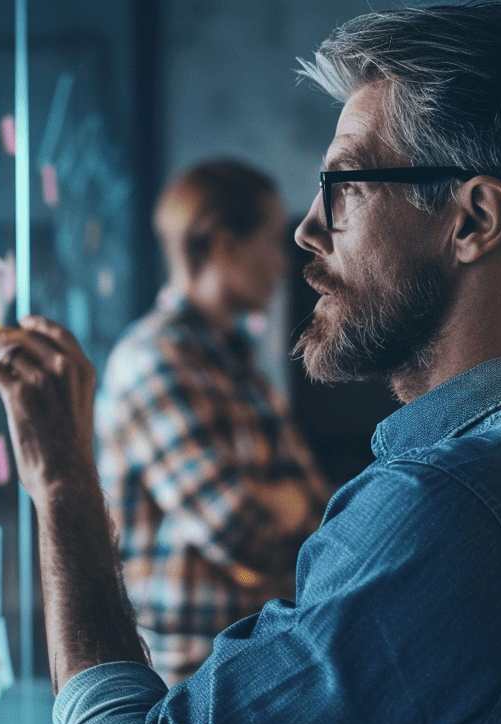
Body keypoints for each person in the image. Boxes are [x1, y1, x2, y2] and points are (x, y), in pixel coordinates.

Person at [0, 4, 501, 724]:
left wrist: (64, 488)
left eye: (344, 186)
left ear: (473, 220)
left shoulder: (446, 511)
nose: (306, 231)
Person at [94, 159, 331, 686]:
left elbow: (318, 506)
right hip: (187, 680)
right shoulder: (155, 359)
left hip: (248, 659)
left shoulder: (233, 359)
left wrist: (287, 506)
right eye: (272, 240)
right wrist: (282, 505)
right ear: (224, 245)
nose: (283, 263)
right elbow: (240, 530)